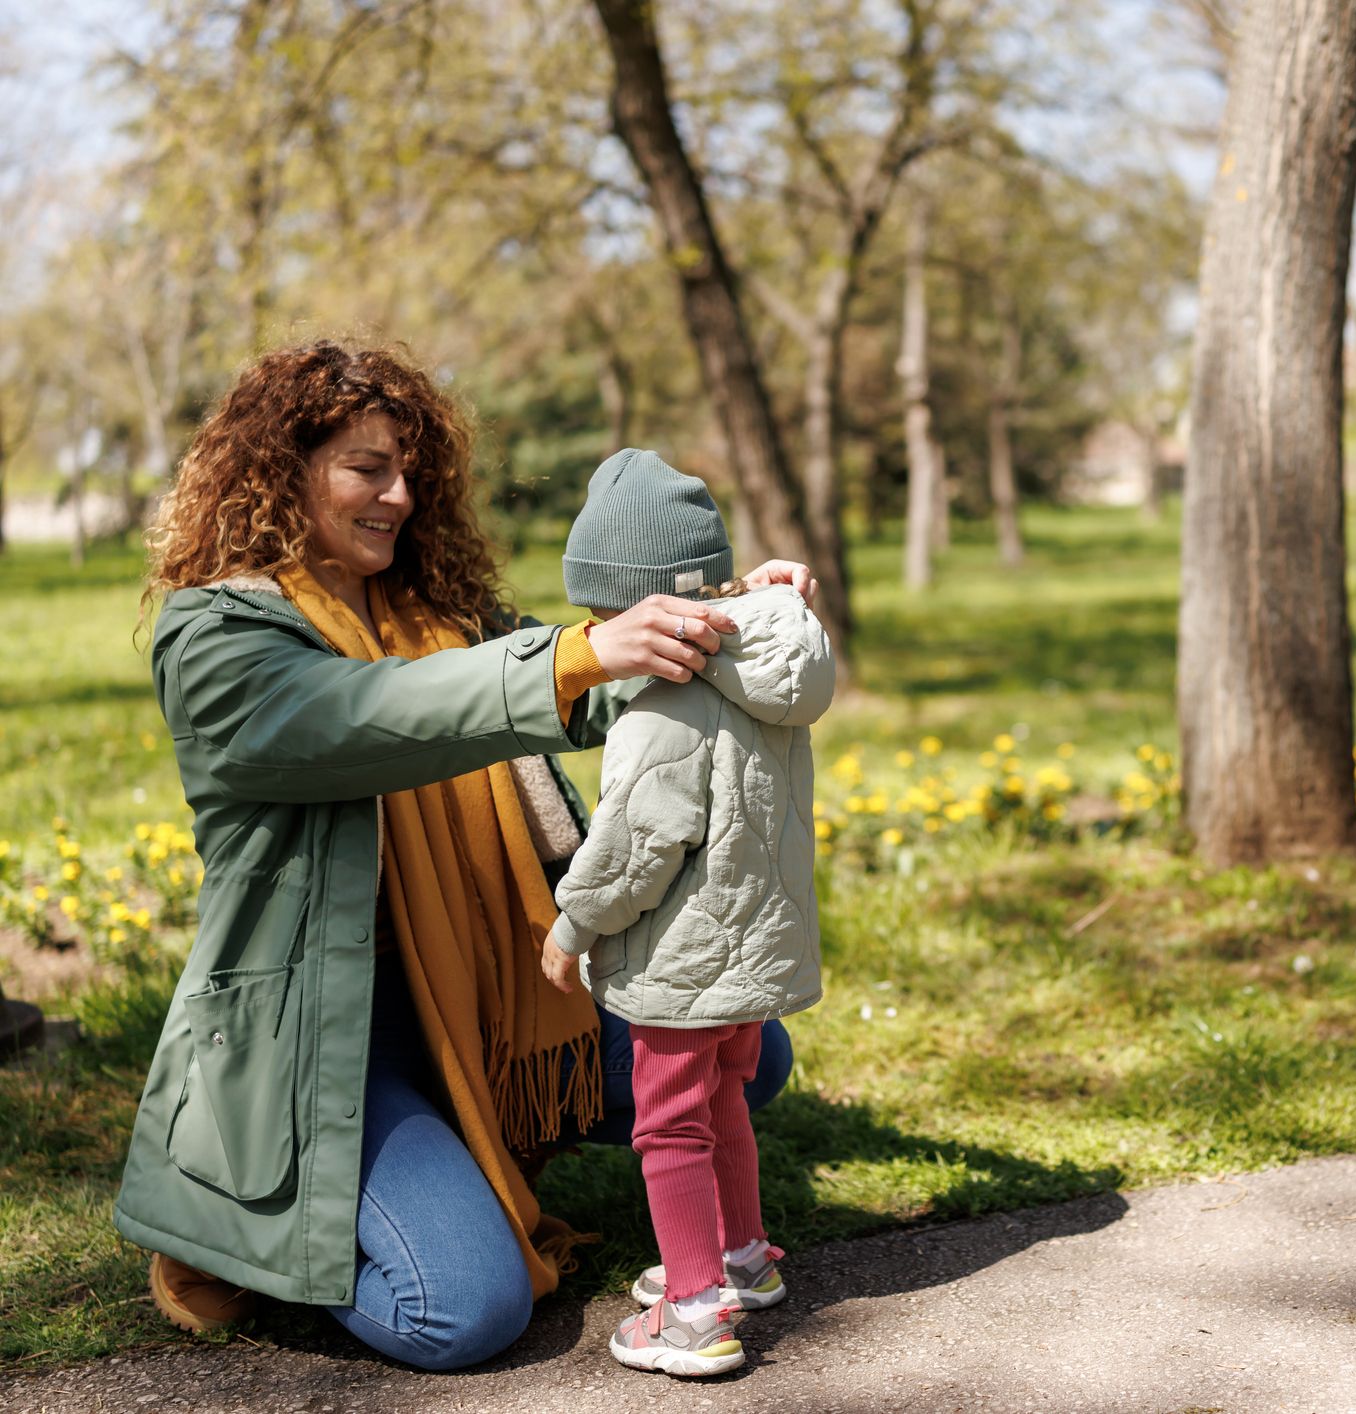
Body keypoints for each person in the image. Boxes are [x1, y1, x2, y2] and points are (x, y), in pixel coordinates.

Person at [117, 341, 807, 1370]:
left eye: (409, 470)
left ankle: (474, 1131)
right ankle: (257, 1232)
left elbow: (615, 683)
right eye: (365, 467)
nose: (397, 493)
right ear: (279, 469)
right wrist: (574, 654)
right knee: (463, 1310)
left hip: (489, 990)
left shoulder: (440, 614)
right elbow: (366, 713)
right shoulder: (214, 633)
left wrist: (733, 610)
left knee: (741, 1052)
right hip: (329, 1040)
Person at [538, 448, 833, 1377]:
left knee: (669, 1123)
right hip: (753, 950)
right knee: (725, 1099)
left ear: (639, 608)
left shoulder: (666, 708)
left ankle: (694, 1313)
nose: (597, 633)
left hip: (679, 958)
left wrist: (571, 927)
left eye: (601, 613)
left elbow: (634, 846)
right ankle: (743, 1259)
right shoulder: (766, 667)